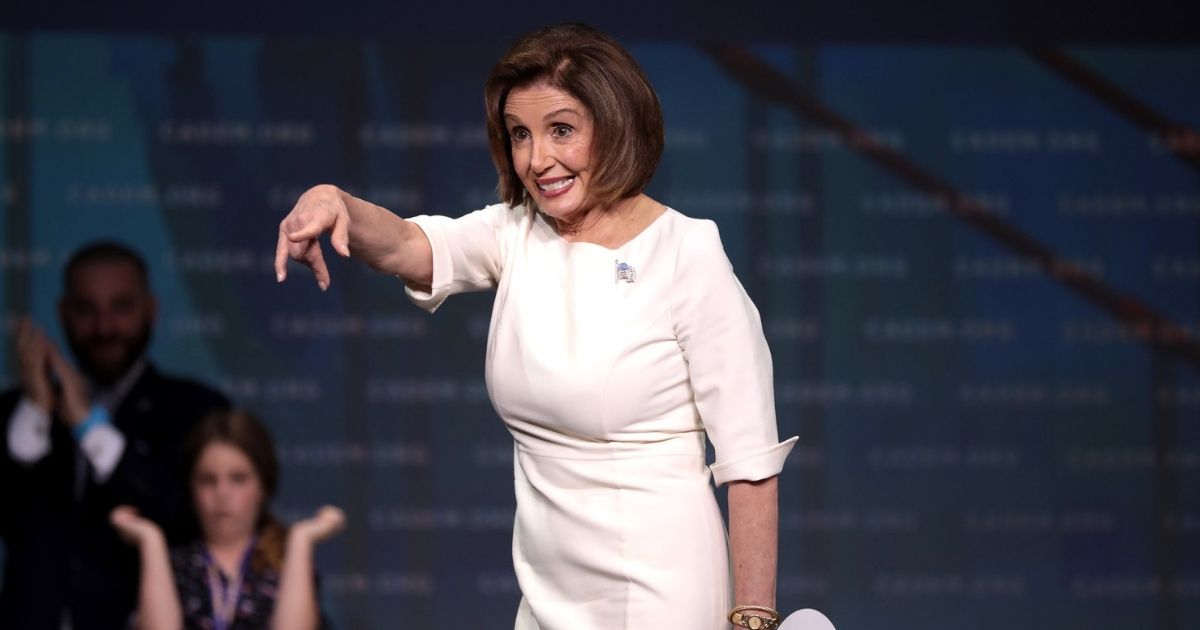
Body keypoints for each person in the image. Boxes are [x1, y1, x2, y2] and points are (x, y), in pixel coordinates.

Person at [274, 23, 797, 630]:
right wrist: (332, 199)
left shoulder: (687, 253)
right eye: (520, 134)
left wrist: (753, 618)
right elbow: (409, 246)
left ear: (616, 123)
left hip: (659, 590)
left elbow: (750, 460)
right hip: (547, 595)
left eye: (562, 131)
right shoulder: (515, 233)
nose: (537, 159)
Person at [0, 241, 230, 630]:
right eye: (86, 310)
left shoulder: (196, 410)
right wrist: (37, 410)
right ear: (63, 314)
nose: (104, 328)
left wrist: (89, 425)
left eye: (121, 308)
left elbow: (180, 515)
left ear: (150, 310)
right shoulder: (18, 412)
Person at [109, 409, 344, 630]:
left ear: (264, 486)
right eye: (208, 480)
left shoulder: (286, 561)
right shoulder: (173, 565)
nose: (222, 493)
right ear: (190, 488)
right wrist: (151, 540)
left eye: (238, 479)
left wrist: (301, 539)